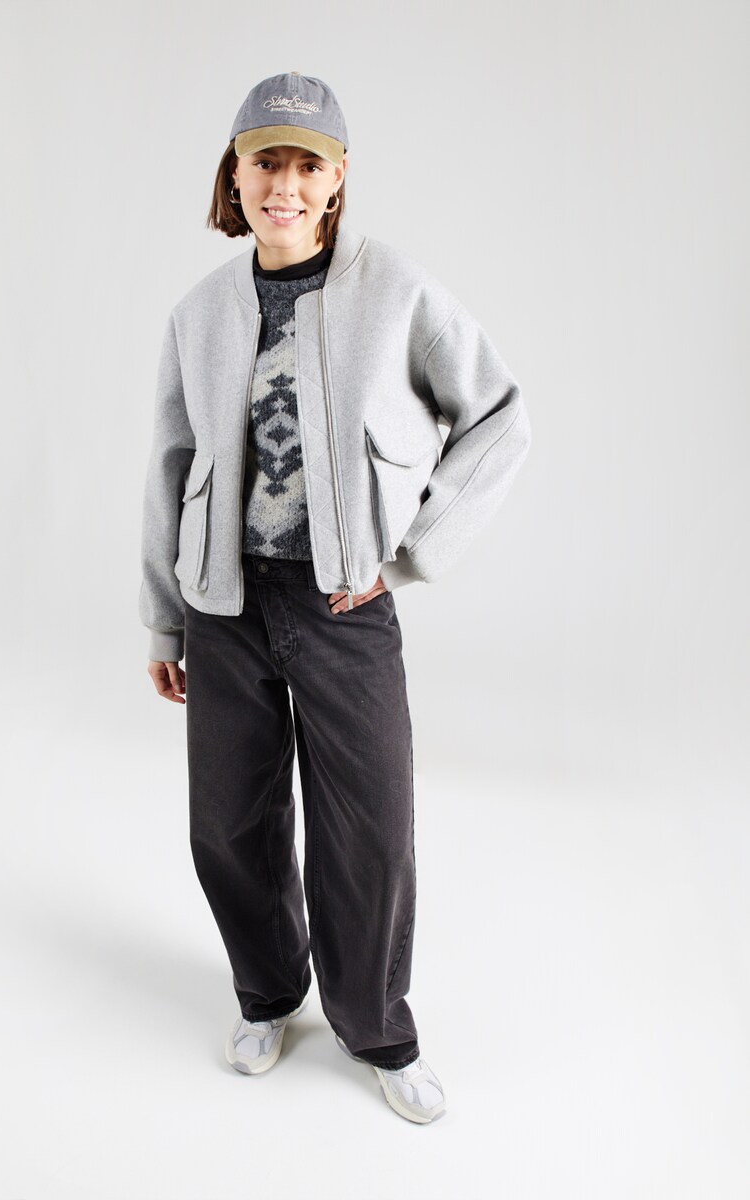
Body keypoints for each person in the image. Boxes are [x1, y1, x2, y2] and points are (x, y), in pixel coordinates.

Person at [139, 70, 531, 1124]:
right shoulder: (198, 313)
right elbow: (171, 464)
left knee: (369, 829)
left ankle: (378, 1027)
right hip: (224, 605)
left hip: (343, 604)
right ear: (235, 175)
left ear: (338, 177)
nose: (285, 184)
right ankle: (269, 993)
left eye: (306, 165)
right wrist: (164, 616)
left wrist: (411, 553)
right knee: (228, 822)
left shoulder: (393, 290)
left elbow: (498, 414)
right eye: (265, 161)